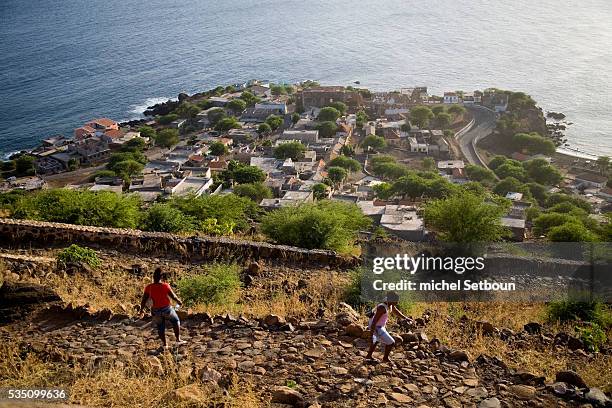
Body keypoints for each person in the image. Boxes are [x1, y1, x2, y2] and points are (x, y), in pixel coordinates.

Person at [140, 268, 186, 350]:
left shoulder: (149, 287)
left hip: (155, 311)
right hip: (167, 309)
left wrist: (141, 310)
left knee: (160, 327)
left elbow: (144, 300)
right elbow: (173, 296)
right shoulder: (165, 286)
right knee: (176, 321)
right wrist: (179, 302)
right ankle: (178, 339)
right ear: (161, 277)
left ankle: (165, 344)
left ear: (153, 277)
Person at [365, 291, 408, 363]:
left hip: (380, 325)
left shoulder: (388, 302)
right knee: (391, 342)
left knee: (376, 341)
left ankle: (369, 356)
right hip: (376, 326)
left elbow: (395, 310)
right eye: (396, 300)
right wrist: (371, 334)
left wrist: (405, 317)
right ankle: (385, 358)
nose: (397, 302)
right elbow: (374, 321)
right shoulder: (382, 307)